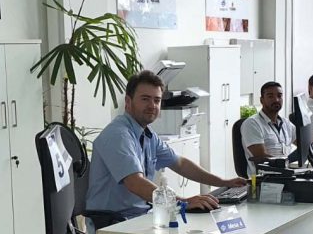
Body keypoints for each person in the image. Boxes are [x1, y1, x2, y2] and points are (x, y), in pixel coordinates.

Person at [85, 70, 247, 221]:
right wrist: (182, 202)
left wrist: (224, 182)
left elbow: (181, 164)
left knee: (201, 222)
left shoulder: (147, 134)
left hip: (141, 214)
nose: (152, 105)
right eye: (145, 99)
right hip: (114, 223)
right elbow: (135, 182)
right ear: (128, 102)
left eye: (157, 100)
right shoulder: (118, 134)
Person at [240, 81, 295, 175]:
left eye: (279, 96)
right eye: (270, 96)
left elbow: (304, 144)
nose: (276, 100)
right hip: (266, 177)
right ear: (261, 100)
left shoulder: (286, 123)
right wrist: (287, 164)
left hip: (287, 172)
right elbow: (261, 156)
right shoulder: (252, 123)